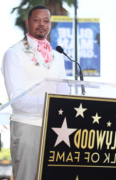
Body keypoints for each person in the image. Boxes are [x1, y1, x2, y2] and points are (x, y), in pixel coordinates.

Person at [1, 5, 69, 180]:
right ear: (27, 23)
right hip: (27, 126)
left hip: (56, 130)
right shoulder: (13, 54)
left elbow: (64, 93)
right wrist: (52, 106)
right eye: (37, 20)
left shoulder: (58, 57)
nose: (42, 24)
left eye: (46, 21)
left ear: (50, 25)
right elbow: (17, 99)